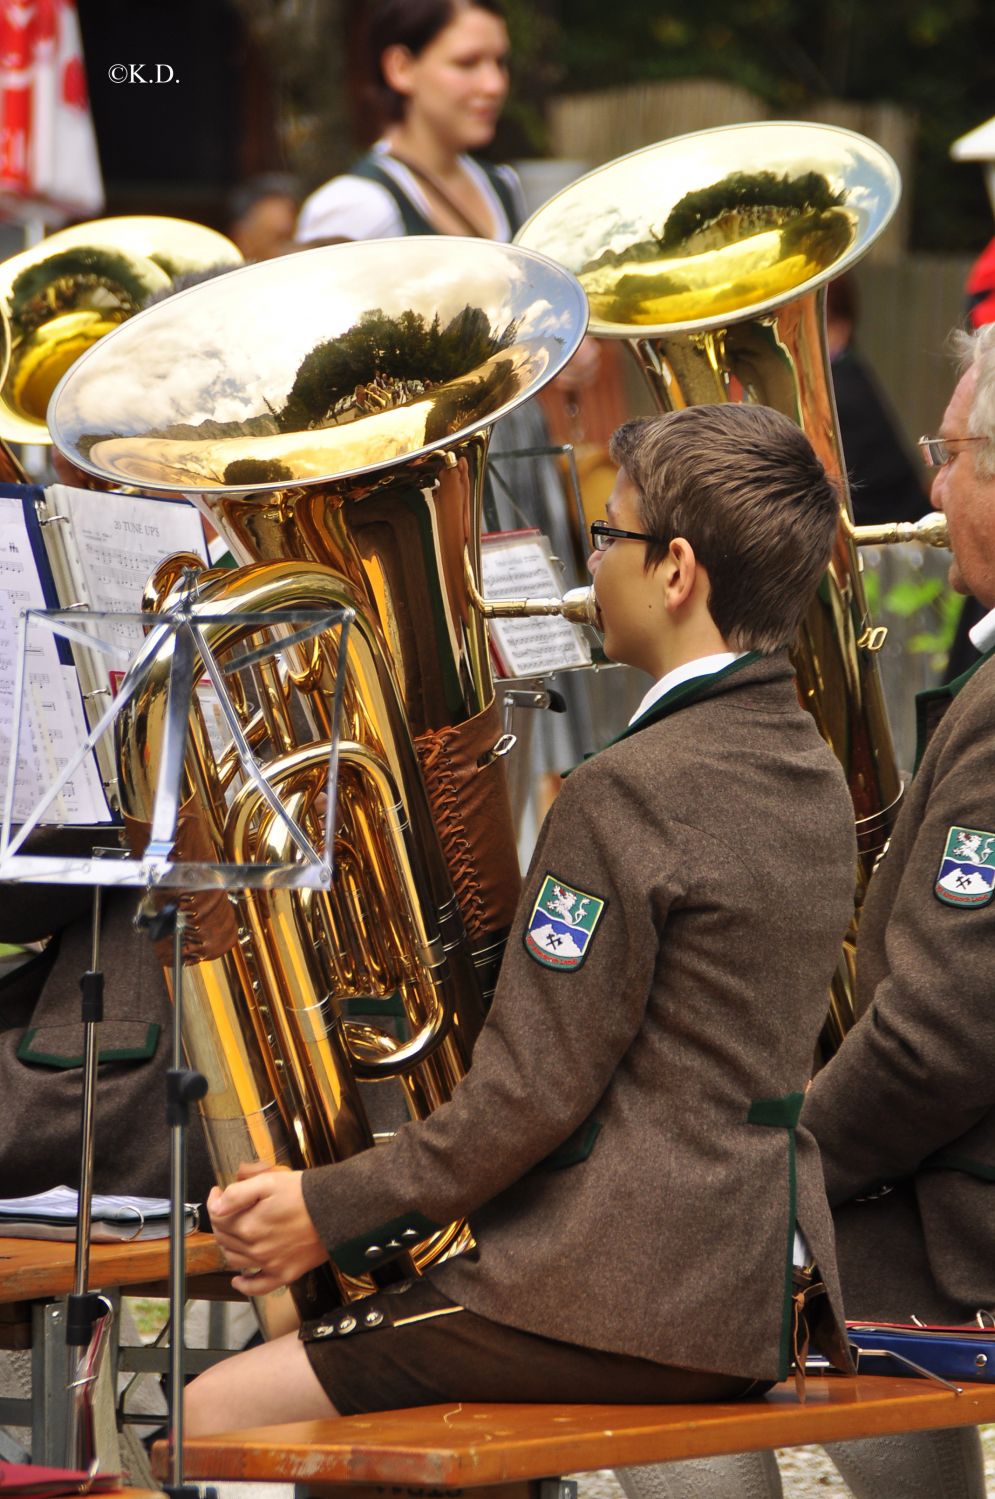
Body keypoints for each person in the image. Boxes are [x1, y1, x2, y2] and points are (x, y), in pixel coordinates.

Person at [183, 402, 857, 1434]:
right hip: (739, 1287)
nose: (593, 565)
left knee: (208, 1410)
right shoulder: (807, 768)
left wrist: (320, 1211)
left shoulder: (625, 790)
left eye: (608, 535)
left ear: (674, 571)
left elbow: (524, 1098)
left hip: (604, 1293)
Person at [616, 328, 995, 1499]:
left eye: (951, 455)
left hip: (961, 1220)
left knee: (636, 1289)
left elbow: (939, 1034)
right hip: (947, 1176)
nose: (926, 487)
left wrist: (779, 1170)